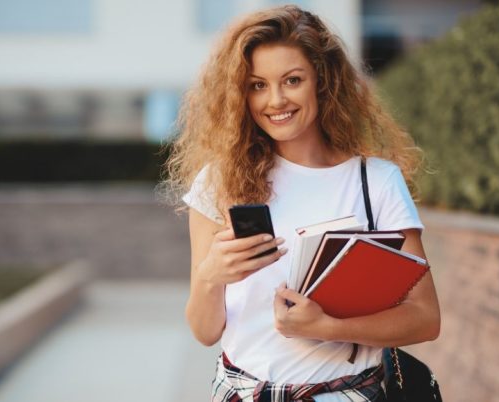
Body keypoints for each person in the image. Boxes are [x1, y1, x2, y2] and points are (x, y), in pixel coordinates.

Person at [163, 5, 441, 401]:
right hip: (240, 392)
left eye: (292, 80)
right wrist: (211, 274)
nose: (275, 100)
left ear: (322, 82)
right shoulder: (219, 182)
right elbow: (205, 332)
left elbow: (425, 318)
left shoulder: (375, 182)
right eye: (257, 85)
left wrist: (327, 327)